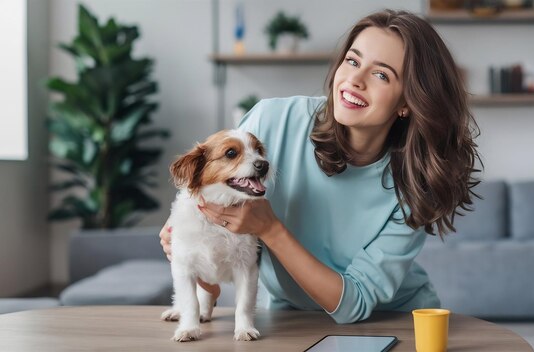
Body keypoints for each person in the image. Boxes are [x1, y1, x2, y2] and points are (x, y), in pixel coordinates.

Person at [160, 9, 481, 324]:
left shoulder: (415, 183)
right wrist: (195, 259)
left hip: (394, 320)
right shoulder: (271, 122)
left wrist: (271, 229)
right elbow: (227, 229)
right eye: (352, 61)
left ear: (407, 103)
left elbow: (354, 305)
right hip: (290, 320)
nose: (354, 80)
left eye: (381, 74)